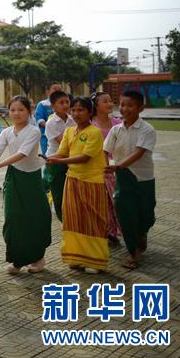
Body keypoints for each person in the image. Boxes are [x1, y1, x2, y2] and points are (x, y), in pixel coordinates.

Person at [0, 96, 51, 274]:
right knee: (13, 217)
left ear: (29, 111)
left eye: (21, 109)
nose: (16, 113)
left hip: (32, 179)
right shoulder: (6, 132)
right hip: (13, 177)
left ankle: (38, 257)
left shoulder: (34, 131)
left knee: (35, 217)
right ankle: (18, 260)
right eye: (13, 110)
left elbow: (22, 154)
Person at [46, 96, 108, 273]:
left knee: (92, 220)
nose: (76, 113)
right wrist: (50, 158)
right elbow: (62, 152)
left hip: (91, 182)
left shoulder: (94, 132)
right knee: (72, 219)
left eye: (81, 110)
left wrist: (59, 161)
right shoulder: (69, 131)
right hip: (72, 180)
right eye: (74, 109)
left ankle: (96, 260)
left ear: (90, 112)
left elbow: (84, 158)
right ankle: (76, 257)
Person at [105, 91, 157, 269]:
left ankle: (142, 233)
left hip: (144, 179)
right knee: (125, 214)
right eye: (122, 104)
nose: (124, 109)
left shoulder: (147, 129)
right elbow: (105, 151)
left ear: (141, 108)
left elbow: (138, 153)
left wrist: (117, 166)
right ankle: (133, 253)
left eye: (130, 105)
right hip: (123, 179)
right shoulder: (116, 129)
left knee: (146, 215)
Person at [91, 91, 123, 246]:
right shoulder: (91, 124)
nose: (110, 104)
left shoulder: (117, 123)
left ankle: (117, 230)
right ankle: (108, 232)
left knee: (115, 201)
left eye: (111, 101)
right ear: (96, 105)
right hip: (98, 168)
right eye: (105, 101)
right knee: (102, 202)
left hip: (115, 167)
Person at [44, 90, 76, 221]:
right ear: (53, 106)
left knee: (71, 192)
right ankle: (63, 220)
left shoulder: (72, 119)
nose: (65, 105)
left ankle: (72, 219)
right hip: (56, 161)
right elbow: (63, 143)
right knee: (59, 193)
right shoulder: (51, 123)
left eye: (67, 102)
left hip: (71, 160)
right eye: (61, 102)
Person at [35, 82, 63, 191]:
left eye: (59, 89)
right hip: (45, 136)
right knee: (49, 159)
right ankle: (46, 185)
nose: (57, 91)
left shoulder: (62, 103)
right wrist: (51, 127)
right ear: (48, 92)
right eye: (54, 89)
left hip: (61, 138)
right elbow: (39, 119)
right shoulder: (42, 104)